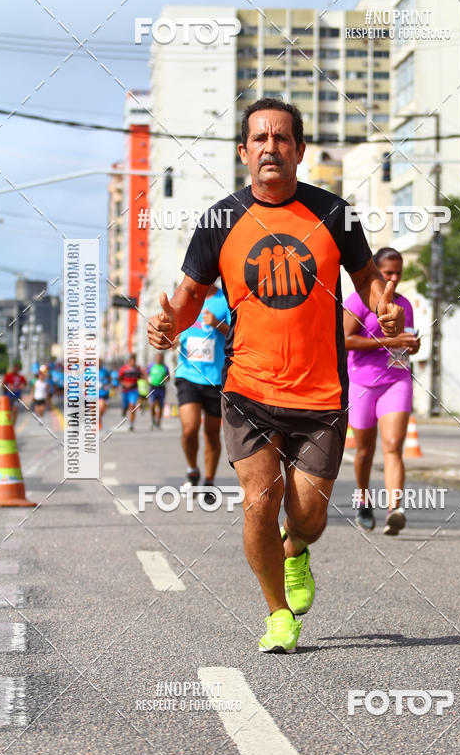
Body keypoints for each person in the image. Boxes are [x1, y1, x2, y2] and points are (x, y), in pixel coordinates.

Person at [147, 97, 403, 653]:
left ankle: (296, 551)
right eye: (259, 139)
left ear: (300, 150)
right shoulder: (220, 219)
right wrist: (170, 323)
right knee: (259, 500)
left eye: (281, 138)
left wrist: (382, 306)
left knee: (307, 517)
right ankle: (277, 615)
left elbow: (366, 280)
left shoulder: (336, 214)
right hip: (249, 389)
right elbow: (189, 297)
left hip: (321, 392)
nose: (270, 147)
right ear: (244, 152)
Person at [344, 247, 420, 535]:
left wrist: (413, 344)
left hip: (396, 379)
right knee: (364, 451)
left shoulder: (404, 304)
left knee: (393, 444)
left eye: (398, 272)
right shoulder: (358, 302)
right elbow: (344, 339)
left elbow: (406, 339)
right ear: (376, 271)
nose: (395, 278)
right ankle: (363, 499)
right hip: (362, 383)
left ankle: (395, 509)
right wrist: (383, 342)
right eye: (388, 272)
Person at [174, 283, 230, 499]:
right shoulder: (183, 297)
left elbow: (237, 332)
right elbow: (173, 327)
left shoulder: (224, 299)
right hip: (188, 374)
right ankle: (192, 469)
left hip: (215, 378)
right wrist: (172, 337)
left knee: (212, 434)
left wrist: (217, 324)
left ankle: (209, 481)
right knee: (190, 428)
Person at [118, 353, 142, 432]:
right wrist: (124, 384)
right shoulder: (123, 369)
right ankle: (124, 410)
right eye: (132, 360)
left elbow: (141, 378)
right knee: (125, 406)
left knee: (132, 407)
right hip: (125, 391)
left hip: (134, 390)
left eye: (134, 360)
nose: (133, 362)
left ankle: (131, 424)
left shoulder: (137, 369)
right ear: (129, 361)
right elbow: (119, 379)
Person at [147, 353, 170, 429]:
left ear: (162, 358)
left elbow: (168, 377)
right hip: (152, 387)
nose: (158, 359)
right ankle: (152, 421)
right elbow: (146, 374)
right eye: (157, 357)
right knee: (152, 405)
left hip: (161, 388)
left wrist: (166, 379)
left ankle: (158, 422)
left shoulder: (165, 367)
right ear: (155, 358)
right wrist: (147, 380)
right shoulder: (151, 366)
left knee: (160, 405)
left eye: (160, 357)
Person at [99, 361, 111, 430]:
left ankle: (99, 419)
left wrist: (107, 385)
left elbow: (109, 378)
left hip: (103, 393)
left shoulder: (104, 371)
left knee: (101, 407)